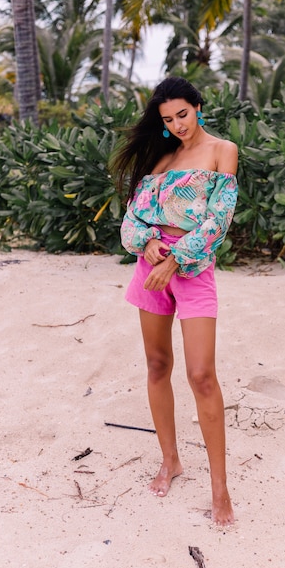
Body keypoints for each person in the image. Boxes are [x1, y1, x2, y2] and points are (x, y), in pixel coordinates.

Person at [114, 77, 238, 526]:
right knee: (156, 365)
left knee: (202, 374)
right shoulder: (161, 158)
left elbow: (218, 221)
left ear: (199, 106)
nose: (177, 125)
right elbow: (133, 218)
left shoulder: (223, 150)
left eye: (183, 114)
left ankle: (220, 489)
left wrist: (178, 259)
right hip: (151, 270)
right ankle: (171, 460)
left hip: (193, 267)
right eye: (168, 119)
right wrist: (147, 245)